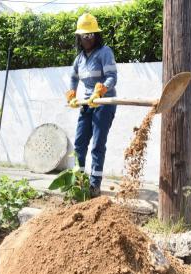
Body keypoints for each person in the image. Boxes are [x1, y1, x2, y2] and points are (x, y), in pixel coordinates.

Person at [65, 13, 118, 198]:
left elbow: (112, 77)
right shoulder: (79, 58)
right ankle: (78, 182)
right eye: (83, 36)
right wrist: (72, 93)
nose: (87, 39)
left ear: (96, 35)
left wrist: (102, 89)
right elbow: (73, 77)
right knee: (79, 143)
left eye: (90, 35)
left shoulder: (105, 52)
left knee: (97, 145)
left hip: (104, 104)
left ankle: (95, 185)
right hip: (87, 103)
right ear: (79, 37)